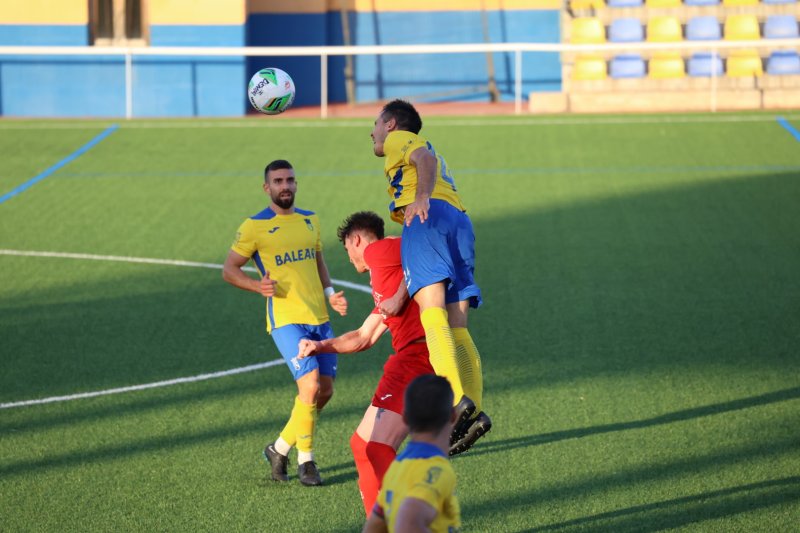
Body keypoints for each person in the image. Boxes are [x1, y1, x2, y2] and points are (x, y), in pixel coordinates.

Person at [370, 99, 491, 454]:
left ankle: (454, 403)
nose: (372, 133)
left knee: (431, 314)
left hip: (426, 217)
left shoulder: (399, 139)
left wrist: (421, 196)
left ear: (391, 124)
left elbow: (424, 158)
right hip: (458, 220)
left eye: (376, 124)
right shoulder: (425, 148)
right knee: (457, 325)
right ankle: (475, 412)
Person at [297, 211, 434, 515]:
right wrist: (320, 346)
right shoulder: (386, 277)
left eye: (347, 248)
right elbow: (363, 336)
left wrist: (400, 296)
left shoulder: (377, 252)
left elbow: (425, 245)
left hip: (417, 357)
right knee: (361, 444)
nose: (348, 257)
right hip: (413, 358)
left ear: (356, 240)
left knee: (378, 447)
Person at [222, 159, 347, 486]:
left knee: (325, 391)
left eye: (290, 180)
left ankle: (278, 448)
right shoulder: (254, 227)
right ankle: (307, 461)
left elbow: (318, 261)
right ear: (267, 188)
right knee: (310, 386)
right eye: (278, 181)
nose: (285, 186)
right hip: (286, 319)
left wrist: (330, 294)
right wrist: (256, 286)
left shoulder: (310, 220)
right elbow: (229, 269)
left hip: (319, 317)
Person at [363, 375, 461, 533]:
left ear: (405, 417)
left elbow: (374, 525)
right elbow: (408, 522)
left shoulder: (396, 468)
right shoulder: (435, 470)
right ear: (453, 416)